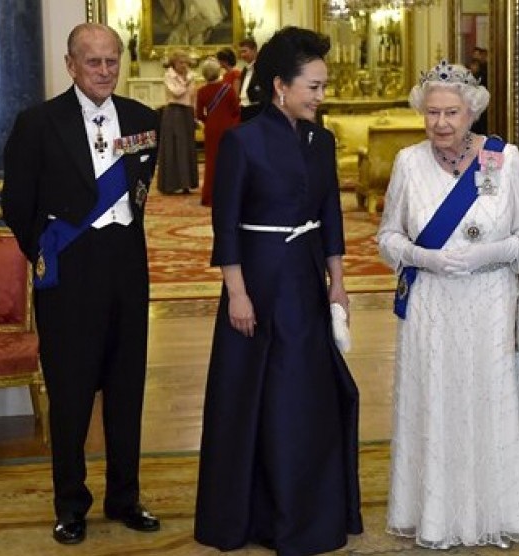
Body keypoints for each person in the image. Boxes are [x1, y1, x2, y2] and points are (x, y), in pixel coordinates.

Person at [194, 26, 363, 555]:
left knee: (306, 396)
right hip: (258, 282)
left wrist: (337, 283)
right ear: (279, 87)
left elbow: (330, 214)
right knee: (257, 398)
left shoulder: (322, 140)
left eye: (322, 85)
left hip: (306, 280)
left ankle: (311, 510)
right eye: (313, 86)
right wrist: (237, 293)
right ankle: (255, 514)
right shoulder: (242, 141)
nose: (321, 95)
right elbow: (226, 225)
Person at [2, 23, 161, 545]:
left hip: (126, 269)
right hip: (69, 273)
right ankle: (70, 504)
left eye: (112, 60)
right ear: (70, 64)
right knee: (70, 396)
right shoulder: (38, 123)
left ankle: (125, 497)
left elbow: (138, 192)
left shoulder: (143, 120)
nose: (104, 71)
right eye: (93, 62)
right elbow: (16, 203)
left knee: (126, 388)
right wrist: (44, 253)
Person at [377, 60, 519, 550]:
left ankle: (497, 509)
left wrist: (489, 253)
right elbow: (387, 236)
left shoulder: (502, 158)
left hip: (491, 301)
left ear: (471, 112)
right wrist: (421, 255)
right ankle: (434, 515)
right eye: (432, 113)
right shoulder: (409, 162)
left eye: (451, 112)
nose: (441, 124)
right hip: (432, 301)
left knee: (488, 399)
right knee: (435, 398)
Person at [195, 57, 240, 206]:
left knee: (211, 163)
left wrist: (209, 121)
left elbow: (199, 115)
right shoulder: (227, 89)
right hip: (228, 128)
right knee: (229, 162)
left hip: (211, 129)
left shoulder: (201, 91)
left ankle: (209, 197)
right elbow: (236, 109)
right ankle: (228, 195)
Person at [158, 49, 199, 193]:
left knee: (186, 146)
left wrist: (195, 115)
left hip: (187, 112)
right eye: (181, 62)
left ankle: (186, 183)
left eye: (185, 62)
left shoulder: (191, 76)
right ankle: (171, 184)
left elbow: (193, 96)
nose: (184, 65)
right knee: (174, 146)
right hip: (174, 112)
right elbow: (176, 92)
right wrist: (187, 82)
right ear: (174, 63)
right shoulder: (168, 75)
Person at [238, 37, 262, 121]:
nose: (242, 55)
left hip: (257, 110)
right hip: (245, 110)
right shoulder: (245, 70)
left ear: (254, 50)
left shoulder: (262, 67)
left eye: (245, 51)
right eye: (241, 52)